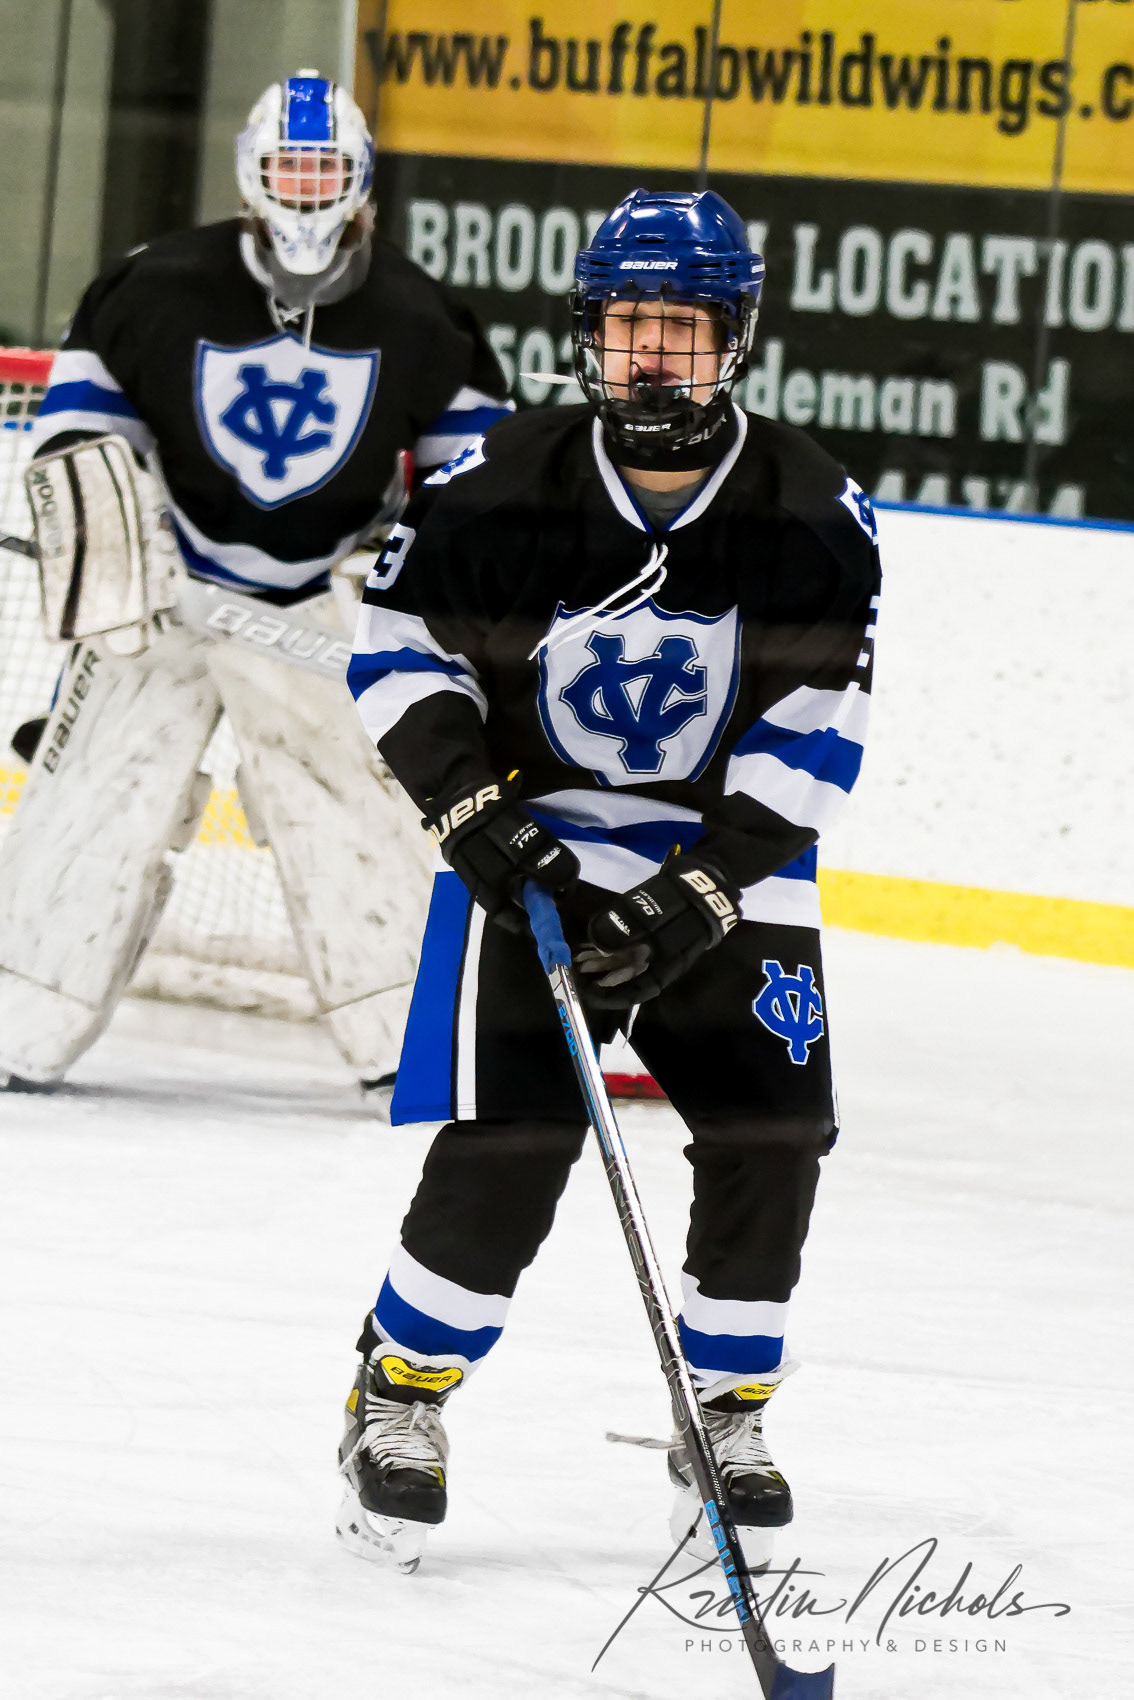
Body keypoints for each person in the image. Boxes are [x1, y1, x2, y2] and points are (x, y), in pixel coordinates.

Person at [336, 189, 881, 1569]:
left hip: (725, 859)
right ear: (590, 330)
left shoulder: (812, 509)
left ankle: (727, 1412)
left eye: (679, 327)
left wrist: (703, 891)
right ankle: (398, 1392)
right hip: (537, 846)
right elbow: (399, 651)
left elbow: (816, 732)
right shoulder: (496, 480)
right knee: (511, 1143)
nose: (650, 352)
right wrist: (473, 811)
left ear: (732, 338)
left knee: (773, 1135)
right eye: (629, 322)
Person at [0, 70, 510, 1093]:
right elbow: (75, 438)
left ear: (360, 179)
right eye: (289, 168)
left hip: (318, 605)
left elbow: (475, 489)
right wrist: (116, 534)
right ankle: (15, 1025)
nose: (306, 191)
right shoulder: (153, 285)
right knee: (97, 808)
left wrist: (402, 569)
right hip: (163, 601)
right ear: (250, 175)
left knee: (347, 819)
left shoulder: (424, 316)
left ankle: (407, 1050)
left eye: (324, 170)